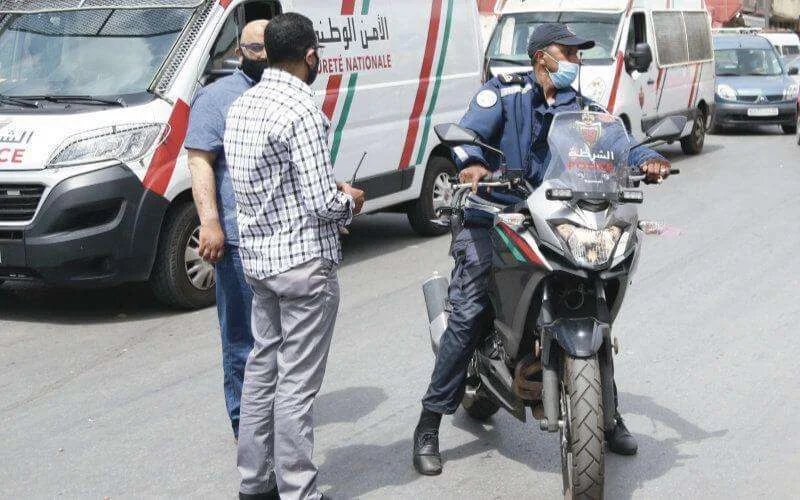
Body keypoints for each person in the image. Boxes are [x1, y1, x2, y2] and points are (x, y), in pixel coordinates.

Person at [412, 23, 673, 476]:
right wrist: (473, 165)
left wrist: (644, 160)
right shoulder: (506, 94)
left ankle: (605, 417)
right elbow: (469, 135)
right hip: (496, 215)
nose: (576, 60)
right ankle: (429, 423)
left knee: (597, 294)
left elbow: (617, 143)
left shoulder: (583, 111)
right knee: (471, 311)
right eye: (567, 52)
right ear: (541, 58)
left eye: (578, 54)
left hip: (558, 219)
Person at [224, 13, 365, 500]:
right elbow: (323, 202)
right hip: (304, 265)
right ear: (309, 56)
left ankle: (253, 483)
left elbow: (265, 185)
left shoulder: (243, 104)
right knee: (296, 386)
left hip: (260, 263)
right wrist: (349, 199)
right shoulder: (302, 108)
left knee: (261, 371)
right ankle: (298, 491)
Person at [184, 19, 269, 440]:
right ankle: (244, 425)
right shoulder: (216, 99)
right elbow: (200, 161)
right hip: (236, 241)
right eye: (256, 50)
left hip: (279, 240)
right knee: (240, 340)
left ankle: (271, 417)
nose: (263, 58)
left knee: (279, 339)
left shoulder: (284, 94)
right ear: (239, 50)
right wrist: (210, 223)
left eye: (270, 49)